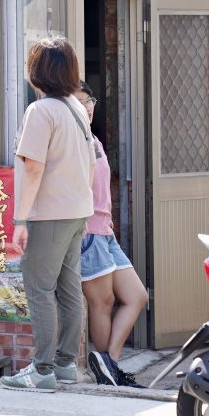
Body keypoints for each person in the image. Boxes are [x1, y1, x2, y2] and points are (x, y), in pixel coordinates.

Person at [1, 37, 95, 392]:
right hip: (75, 210)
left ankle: (41, 370)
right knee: (69, 288)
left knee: (39, 288)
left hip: (48, 213)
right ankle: (65, 363)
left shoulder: (40, 112)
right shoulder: (74, 106)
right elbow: (91, 163)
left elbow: (34, 169)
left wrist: (20, 220)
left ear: (37, 71)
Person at [75, 82, 148, 388]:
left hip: (105, 233)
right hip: (87, 234)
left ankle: (109, 363)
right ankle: (107, 372)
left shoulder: (94, 141)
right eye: (79, 102)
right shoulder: (74, 142)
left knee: (137, 296)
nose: (87, 106)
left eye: (89, 99)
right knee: (102, 303)